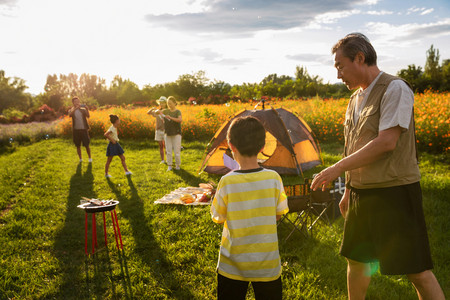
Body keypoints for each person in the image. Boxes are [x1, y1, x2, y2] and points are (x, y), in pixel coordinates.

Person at [310, 33, 444, 300]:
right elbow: (354, 147)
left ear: (360, 58)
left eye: (340, 65)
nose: (338, 74)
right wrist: (348, 189)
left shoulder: (395, 89)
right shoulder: (354, 100)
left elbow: (386, 142)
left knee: (415, 270)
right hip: (361, 193)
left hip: (395, 192)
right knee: (357, 261)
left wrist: (336, 169)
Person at [210, 116, 289, 300]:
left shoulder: (226, 181)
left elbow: (218, 217)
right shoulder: (274, 178)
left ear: (231, 145)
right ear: (262, 147)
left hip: (232, 265)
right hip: (267, 264)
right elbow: (279, 214)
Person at [159, 96, 182, 171]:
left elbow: (179, 120)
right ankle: (170, 165)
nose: (169, 105)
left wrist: (170, 118)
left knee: (176, 151)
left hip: (177, 133)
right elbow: (157, 112)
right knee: (168, 150)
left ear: (175, 103)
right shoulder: (166, 111)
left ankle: (177, 165)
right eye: (168, 104)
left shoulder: (178, 111)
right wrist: (159, 111)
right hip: (167, 133)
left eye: (171, 103)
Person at [68, 96, 92, 163]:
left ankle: (90, 158)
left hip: (84, 130)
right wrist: (76, 109)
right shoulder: (71, 110)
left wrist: (87, 109)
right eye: (75, 102)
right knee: (78, 145)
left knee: (87, 145)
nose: (77, 103)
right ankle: (80, 159)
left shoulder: (83, 109)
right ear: (73, 103)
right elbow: (70, 115)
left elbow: (88, 116)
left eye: (78, 101)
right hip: (76, 130)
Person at [147, 96, 167, 164]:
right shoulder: (157, 111)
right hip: (158, 130)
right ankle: (162, 160)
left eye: (163, 103)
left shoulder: (167, 111)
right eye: (160, 103)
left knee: (166, 146)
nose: (161, 104)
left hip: (165, 130)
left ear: (166, 103)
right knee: (161, 146)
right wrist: (153, 108)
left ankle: (168, 160)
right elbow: (148, 113)